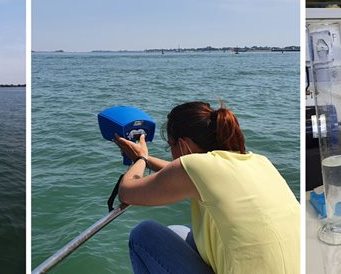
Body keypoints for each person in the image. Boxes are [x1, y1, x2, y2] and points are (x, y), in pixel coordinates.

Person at [114, 102, 300, 274]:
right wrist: (145, 159)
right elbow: (179, 174)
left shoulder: (196, 167)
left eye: (171, 145)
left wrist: (141, 159)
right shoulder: (258, 162)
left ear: (184, 145)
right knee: (180, 232)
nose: (171, 153)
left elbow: (126, 191)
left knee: (144, 234)